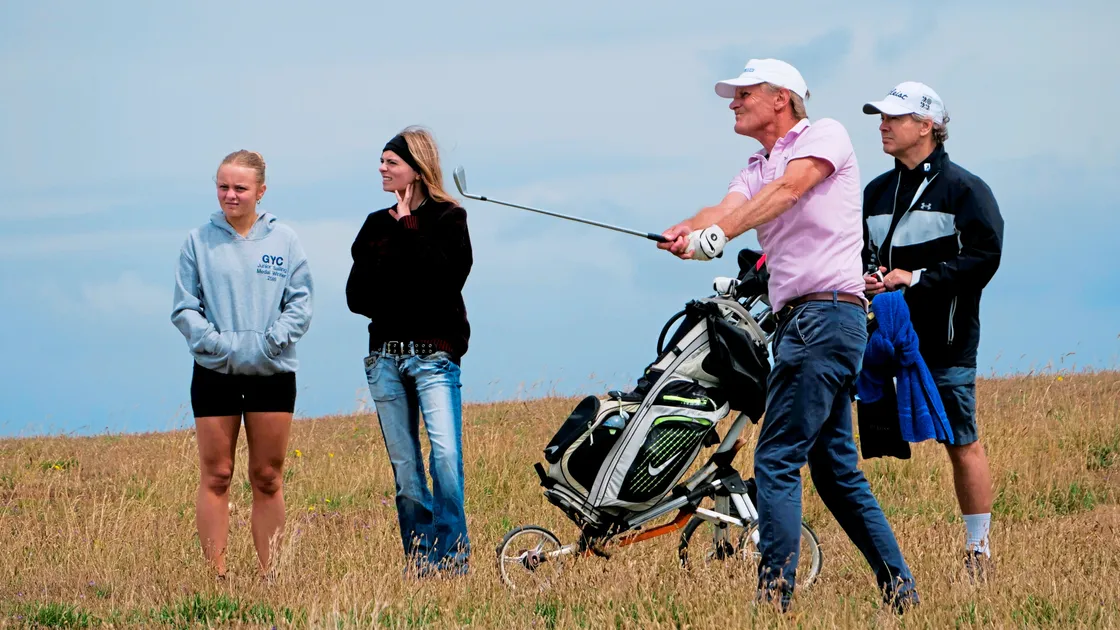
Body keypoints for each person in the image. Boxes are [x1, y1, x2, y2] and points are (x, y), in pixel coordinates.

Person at [659, 58, 918, 611]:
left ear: (781, 98)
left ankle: (773, 600)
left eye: (743, 93)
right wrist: (689, 229)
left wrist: (720, 233)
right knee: (835, 472)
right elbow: (728, 208)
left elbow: (789, 191)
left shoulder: (825, 135)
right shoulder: (754, 166)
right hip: (809, 325)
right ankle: (902, 593)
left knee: (776, 460)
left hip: (825, 319)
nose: (732, 101)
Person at [861, 82, 1004, 580]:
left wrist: (916, 279)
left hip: (946, 342)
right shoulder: (875, 192)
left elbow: (985, 257)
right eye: (880, 117)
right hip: (884, 341)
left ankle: (978, 550)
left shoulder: (966, 189)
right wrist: (872, 276)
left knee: (961, 442)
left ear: (926, 126)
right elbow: (865, 254)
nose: (882, 124)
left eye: (893, 118)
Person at [171, 150, 314, 579]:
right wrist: (216, 345)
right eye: (222, 186)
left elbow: (301, 304)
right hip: (215, 372)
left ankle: (271, 574)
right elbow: (184, 309)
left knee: (267, 476)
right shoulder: (198, 241)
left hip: (272, 372)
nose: (230, 195)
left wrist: (272, 342)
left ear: (260, 191)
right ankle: (217, 576)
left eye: (239, 188)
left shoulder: (284, 240)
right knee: (217, 474)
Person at [346, 126, 473, 577]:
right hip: (384, 358)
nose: (382, 169)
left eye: (390, 162)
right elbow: (357, 296)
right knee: (405, 471)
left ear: (416, 170)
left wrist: (407, 229)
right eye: (381, 161)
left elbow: (444, 280)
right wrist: (405, 281)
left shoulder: (448, 218)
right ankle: (420, 564)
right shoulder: (373, 225)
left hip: (434, 357)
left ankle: (453, 562)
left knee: (444, 459)